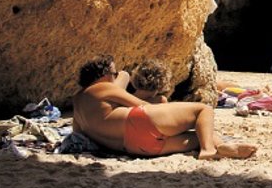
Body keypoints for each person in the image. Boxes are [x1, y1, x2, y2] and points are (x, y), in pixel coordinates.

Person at [71, 55, 255, 160]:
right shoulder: (101, 87)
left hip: (135, 147)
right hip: (138, 122)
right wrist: (124, 75)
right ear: (103, 75)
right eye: (114, 72)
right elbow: (141, 105)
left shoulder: (77, 102)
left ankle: (221, 147)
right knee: (202, 110)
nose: (116, 75)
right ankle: (209, 151)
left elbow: (78, 134)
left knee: (199, 136)